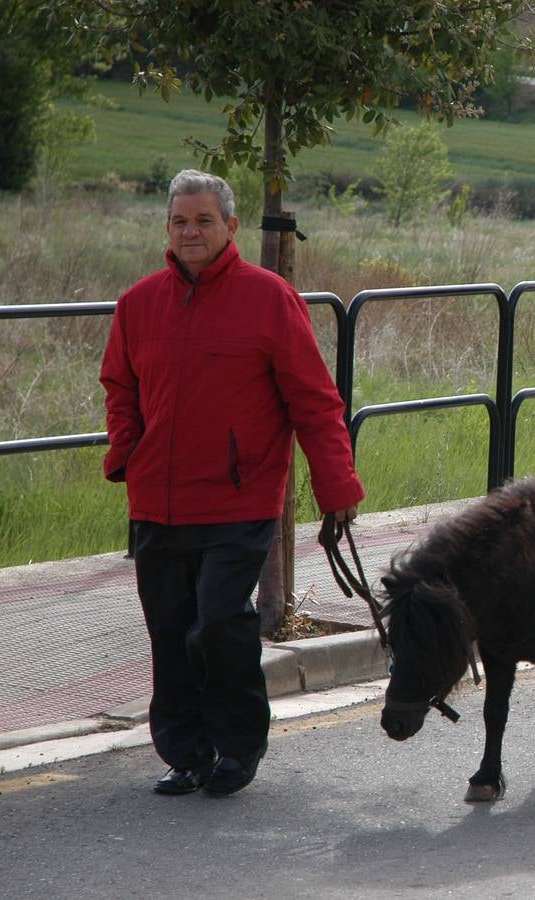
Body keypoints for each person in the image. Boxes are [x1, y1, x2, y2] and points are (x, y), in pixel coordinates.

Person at [100, 169, 365, 797]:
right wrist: (126, 454)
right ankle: (185, 752)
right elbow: (120, 387)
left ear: (231, 227)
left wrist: (338, 489)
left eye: (204, 221)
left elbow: (314, 402)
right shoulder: (139, 304)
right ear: (168, 227)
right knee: (169, 630)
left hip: (238, 500)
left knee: (218, 620)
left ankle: (238, 746)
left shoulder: (270, 299)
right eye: (180, 221)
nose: (191, 232)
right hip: (158, 503)